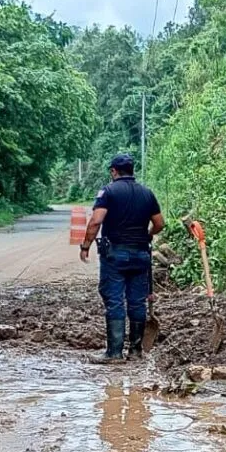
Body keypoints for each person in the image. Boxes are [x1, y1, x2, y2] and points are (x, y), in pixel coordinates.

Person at [80, 154, 165, 363]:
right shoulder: (147, 193)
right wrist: (148, 234)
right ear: (132, 170)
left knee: (114, 300)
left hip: (115, 254)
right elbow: (159, 223)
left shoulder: (108, 192)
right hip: (141, 254)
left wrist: (85, 246)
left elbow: (95, 221)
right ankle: (135, 352)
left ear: (113, 171)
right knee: (137, 301)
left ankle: (114, 353)